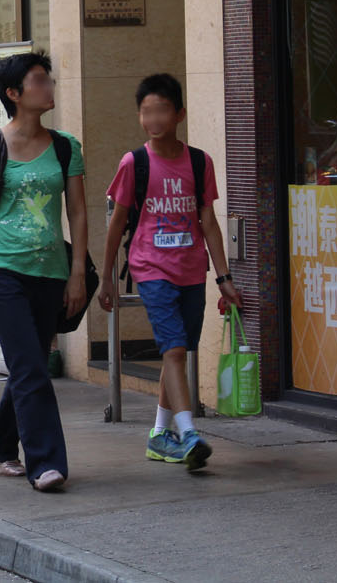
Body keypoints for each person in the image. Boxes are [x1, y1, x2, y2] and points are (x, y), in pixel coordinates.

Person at [0, 52, 87, 493]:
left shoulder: (66, 146)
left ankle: (0, 443)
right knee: (31, 365)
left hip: (50, 270)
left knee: (29, 363)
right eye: (38, 80)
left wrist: (77, 275)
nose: (49, 86)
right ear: (14, 94)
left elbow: (79, 214)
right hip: (1, 269)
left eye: (48, 78)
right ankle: (46, 463)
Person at [99, 73, 240, 471]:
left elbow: (208, 221)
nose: (153, 118)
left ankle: (160, 435)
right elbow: (117, 223)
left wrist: (224, 279)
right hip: (150, 268)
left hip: (192, 270)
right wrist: (106, 277)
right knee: (174, 350)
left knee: (176, 352)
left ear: (179, 113)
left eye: (161, 109)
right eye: (146, 111)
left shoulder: (199, 161)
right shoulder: (135, 163)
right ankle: (188, 431)